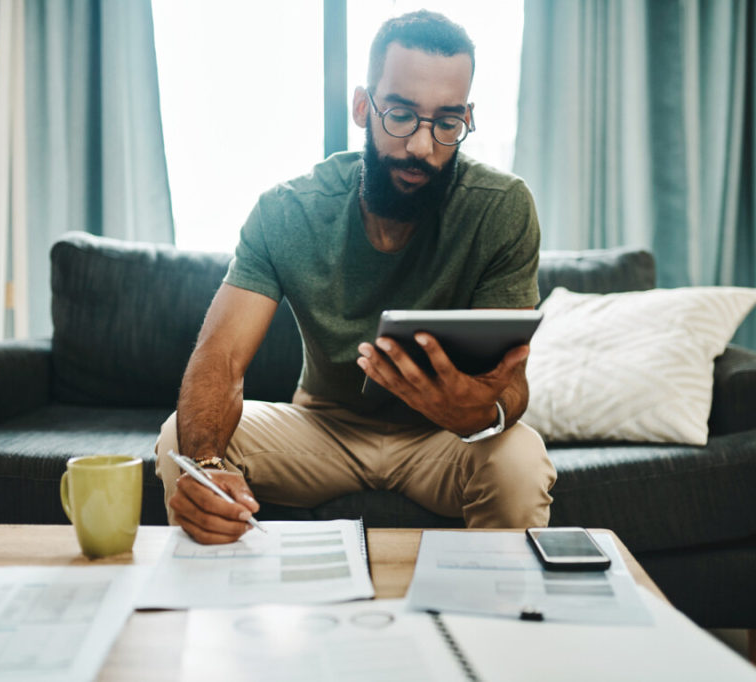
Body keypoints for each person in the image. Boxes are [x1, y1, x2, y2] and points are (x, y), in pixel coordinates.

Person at [155, 10, 556, 544]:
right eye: (401, 115)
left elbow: (509, 386)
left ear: (467, 117)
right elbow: (220, 357)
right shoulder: (288, 210)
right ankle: (211, 608)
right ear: (364, 107)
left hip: (445, 440)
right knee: (174, 441)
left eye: (446, 122)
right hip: (323, 430)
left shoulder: (502, 208)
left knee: (522, 460)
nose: (422, 146)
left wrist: (477, 411)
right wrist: (203, 462)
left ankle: (494, 624)